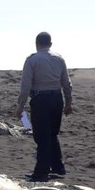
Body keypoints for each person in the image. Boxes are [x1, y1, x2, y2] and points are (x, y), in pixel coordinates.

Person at [16, 32, 73, 182]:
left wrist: (20, 106)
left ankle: (41, 171)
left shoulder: (32, 60)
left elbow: (25, 86)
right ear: (50, 44)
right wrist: (68, 103)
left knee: (42, 136)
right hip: (57, 97)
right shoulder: (59, 58)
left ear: (36, 44)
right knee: (52, 134)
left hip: (41, 99)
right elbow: (67, 83)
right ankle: (57, 167)